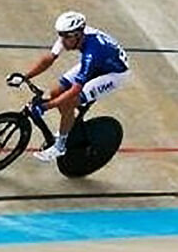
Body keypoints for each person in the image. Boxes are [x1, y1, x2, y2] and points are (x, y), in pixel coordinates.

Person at [7, 10, 130, 162]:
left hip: (113, 74)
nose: (62, 41)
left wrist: (45, 107)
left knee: (68, 103)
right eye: (61, 36)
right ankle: (68, 126)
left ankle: (60, 146)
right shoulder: (69, 35)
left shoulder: (92, 52)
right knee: (55, 92)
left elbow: (75, 89)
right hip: (100, 63)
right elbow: (49, 59)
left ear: (78, 35)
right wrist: (25, 77)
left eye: (66, 37)